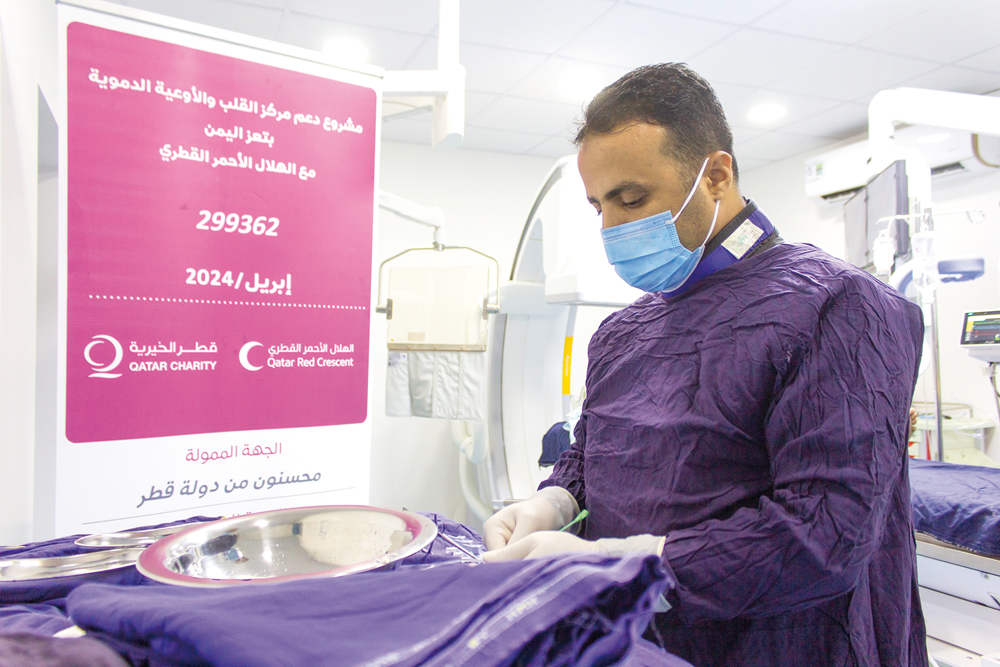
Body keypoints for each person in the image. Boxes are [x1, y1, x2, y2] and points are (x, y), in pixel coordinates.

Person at [483, 63, 927, 667]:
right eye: (598, 207)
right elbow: (593, 457)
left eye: (631, 198)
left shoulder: (838, 306)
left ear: (715, 175)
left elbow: (825, 535)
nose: (611, 226)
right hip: (640, 644)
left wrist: (630, 565)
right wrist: (554, 502)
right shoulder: (623, 331)